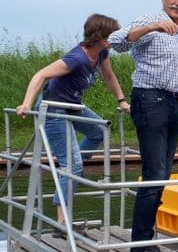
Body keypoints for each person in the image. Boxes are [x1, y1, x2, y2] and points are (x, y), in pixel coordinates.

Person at [109, 0, 178, 252]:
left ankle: (147, 244)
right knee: (155, 173)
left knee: (162, 174)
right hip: (150, 101)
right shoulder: (152, 20)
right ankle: (139, 250)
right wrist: (153, 27)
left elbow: (166, 71)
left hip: (170, 102)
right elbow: (116, 42)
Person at [17, 14, 131, 225]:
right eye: (114, 35)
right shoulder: (76, 59)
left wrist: (122, 100)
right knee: (72, 166)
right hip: (54, 108)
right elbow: (40, 75)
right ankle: (62, 221)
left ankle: (70, 167)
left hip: (73, 105)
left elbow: (109, 76)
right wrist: (26, 103)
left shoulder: (102, 53)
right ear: (102, 37)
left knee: (98, 131)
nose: (118, 38)